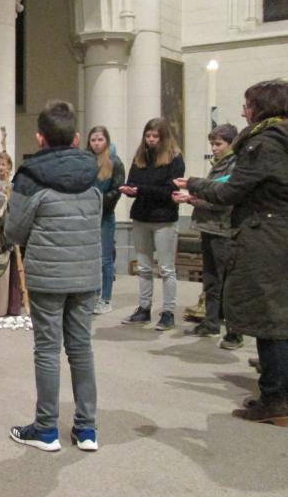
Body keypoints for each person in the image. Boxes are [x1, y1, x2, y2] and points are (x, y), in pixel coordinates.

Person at [175, 79, 288, 424]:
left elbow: (231, 191)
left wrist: (194, 183)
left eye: (248, 105)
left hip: (266, 235)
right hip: (280, 231)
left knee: (270, 319)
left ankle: (275, 400)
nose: (244, 111)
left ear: (262, 108)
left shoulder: (264, 143)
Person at [5, 100, 102, 452]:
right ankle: (86, 429)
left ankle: (46, 430)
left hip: (47, 275)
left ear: (39, 138)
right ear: (77, 138)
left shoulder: (30, 177)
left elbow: (13, 232)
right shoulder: (94, 173)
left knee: (47, 350)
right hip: (87, 273)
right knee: (81, 349)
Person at [173, 124, 239, 344]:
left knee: (226, 282)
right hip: (209, 227)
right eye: (212, 144)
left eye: (218, 144)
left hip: (223, 229)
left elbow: (224, 199)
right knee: (211, 279)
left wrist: (191, 199)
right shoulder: (218, 164)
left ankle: (234, 330)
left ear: (231, 144)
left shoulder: (235, 165)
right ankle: (211, 322)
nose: (214, 148)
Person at [119, 118, 185, 330]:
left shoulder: (175, 158)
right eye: (148, 136)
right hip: (141, 216)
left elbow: (169, 190)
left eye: (155, 136)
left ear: (163, 137)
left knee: (166, 268)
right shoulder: (140, 156)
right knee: (144, 267)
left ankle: (168, 312)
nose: (151, 140)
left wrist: (142, 189)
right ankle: (144, 309)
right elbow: (133, 182)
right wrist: (130, 189)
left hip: (164, 218)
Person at [86, 126, 125, 315]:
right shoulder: (85, 161)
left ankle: (106, 298)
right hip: (87, 216)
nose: (96, 143)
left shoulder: (115, 162)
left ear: (106, 141)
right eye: (93, 140)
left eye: (100, 139)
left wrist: (99, 201)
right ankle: (92, 295)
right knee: (90, 259)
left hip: (105, 215)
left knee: (105, 259)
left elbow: (117, 190)